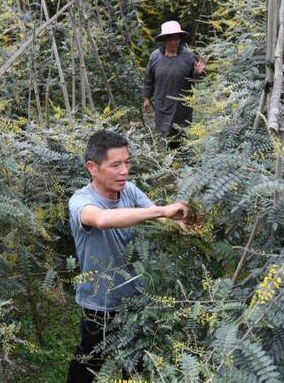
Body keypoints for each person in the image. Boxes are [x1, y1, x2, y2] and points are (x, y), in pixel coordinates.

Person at [66, 130, 193, 382]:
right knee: (88, 362)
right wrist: (162, 211)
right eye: (115, 165)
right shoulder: (80, 201)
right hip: (99, 305)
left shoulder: (130, 191)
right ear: (92, 167)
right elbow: (102, 219)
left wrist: (181, 220)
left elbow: (157, 217)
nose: (124, 171)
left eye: (127, 162)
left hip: (138, 301)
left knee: (133, 365)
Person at [143, 20, 207, 148]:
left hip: (182, 107)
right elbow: (149, 79)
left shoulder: (189, 57)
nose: (174, 42)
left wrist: (198, 73)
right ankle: (166, 164)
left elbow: (195, 80)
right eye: (170, 39)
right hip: (162, 105)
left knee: (181, 139)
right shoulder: (155, 57)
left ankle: (183, 165)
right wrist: (146, 97)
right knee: (163, 138)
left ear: (180, 39)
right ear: (164, 40)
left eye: (176, 39)